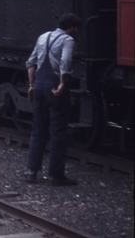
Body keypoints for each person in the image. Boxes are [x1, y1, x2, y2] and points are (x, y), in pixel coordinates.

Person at [24, 13, 81, 186]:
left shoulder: (43, 37)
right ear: (71, 27)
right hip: (55, 87)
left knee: (38, 129)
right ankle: (56, 175)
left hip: (39, 85)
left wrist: (31, 85)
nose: (76, 31)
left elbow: (31, 62)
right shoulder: (68, 40)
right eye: (76, 28)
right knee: (58, 131)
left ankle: (31, 171)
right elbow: (65, 62)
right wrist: (63, 83)